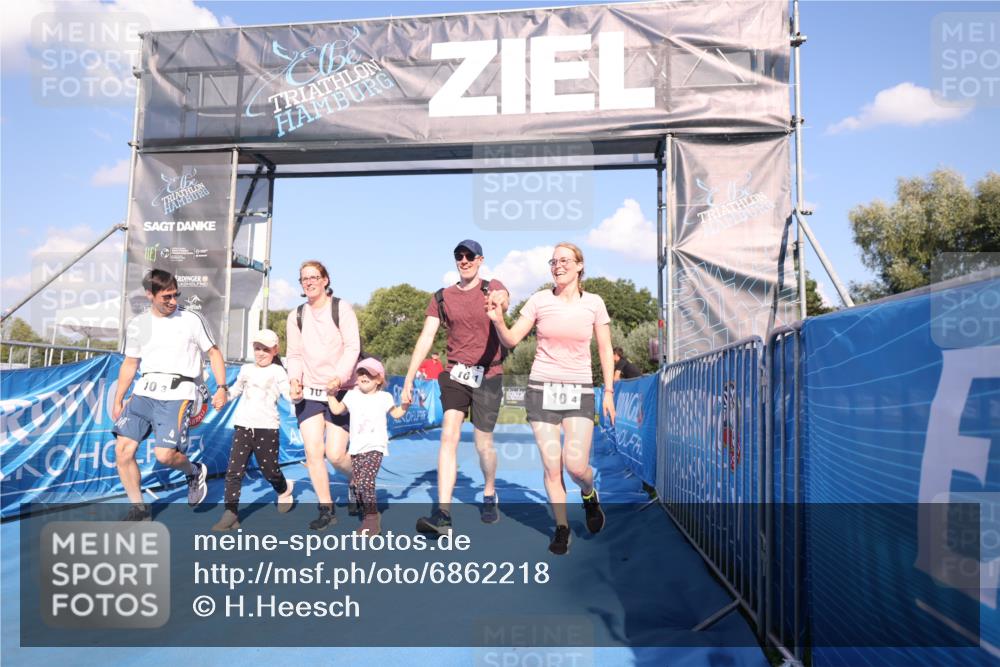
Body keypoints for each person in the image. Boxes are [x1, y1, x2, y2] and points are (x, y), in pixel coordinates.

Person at [487, 243, 616, 555]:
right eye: (554, 261)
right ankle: (562, 527)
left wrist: (609, 391)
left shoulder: (594, 303)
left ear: (580, 266)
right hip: (542, 389)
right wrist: (497, 321)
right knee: (551, 467)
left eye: (565, 261)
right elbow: (512, 339)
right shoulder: (539, 300)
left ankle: (589, 494)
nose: (558, 266)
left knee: (575, 465)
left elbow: (605, 349)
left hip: (579, 390)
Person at [402, 239, 509, 535]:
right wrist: (409, 377)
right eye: (459, 256)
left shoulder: (491, 286)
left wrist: (499, 301)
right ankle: (443, 514)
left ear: (480, 260)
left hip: (488, 374)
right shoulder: (441, 297)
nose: (464, 260)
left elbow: (503, 298)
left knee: (482, 444)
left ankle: (489, 492)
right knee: (448, 435)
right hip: (456, 373)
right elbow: (426, 338)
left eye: (469, 256)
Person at [112, 269, 228, 521]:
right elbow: (130, 364)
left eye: (176, 295)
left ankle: (194, 470)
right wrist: (118, 398)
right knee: (123, 451)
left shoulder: (191, 319)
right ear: (149, 295)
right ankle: (139, 509)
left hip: (179, 392)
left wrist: (222, 387)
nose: (173, 301)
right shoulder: (138, 325)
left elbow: (214, 353)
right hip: (143, 392)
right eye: (166, 297)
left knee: (164, 456)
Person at [286, 260, 361, 531]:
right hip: (309, 391)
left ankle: (357, 480)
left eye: (314, 277)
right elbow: (293, 354)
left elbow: (353, 347)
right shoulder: (296, 315)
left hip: (339, 389)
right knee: (313, 450)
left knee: (336, 454)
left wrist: (339, 377)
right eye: (304, 278)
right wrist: (294, 378)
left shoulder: (342, 308)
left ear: (326, 279)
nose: (309, 282)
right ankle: (326, 508)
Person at [212, 329, 295, 531]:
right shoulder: (246, 369)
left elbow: (290, 396)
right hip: (243, 426)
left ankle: (284, 488)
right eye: (257, 348)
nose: (260, 353)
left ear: (275, 350)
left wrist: (297, 394)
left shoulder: (278, 372)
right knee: (234, 472)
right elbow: (235, 391)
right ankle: (231, 513)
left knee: (270, 471)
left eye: (265, 349)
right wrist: (223, 396)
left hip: (267, 428)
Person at [327, 357, 410, 535]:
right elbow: (336, 410)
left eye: (369, 374)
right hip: (356, 448)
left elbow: (396, 414)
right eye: (361, 372)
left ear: (379, 379)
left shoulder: (384, 397)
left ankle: (371, 519)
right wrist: (330, 394)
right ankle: (366, 509)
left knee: (366, 481)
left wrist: (405, 405)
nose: (364, 376)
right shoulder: (352, 395)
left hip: (375, 447)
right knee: (360, 483)